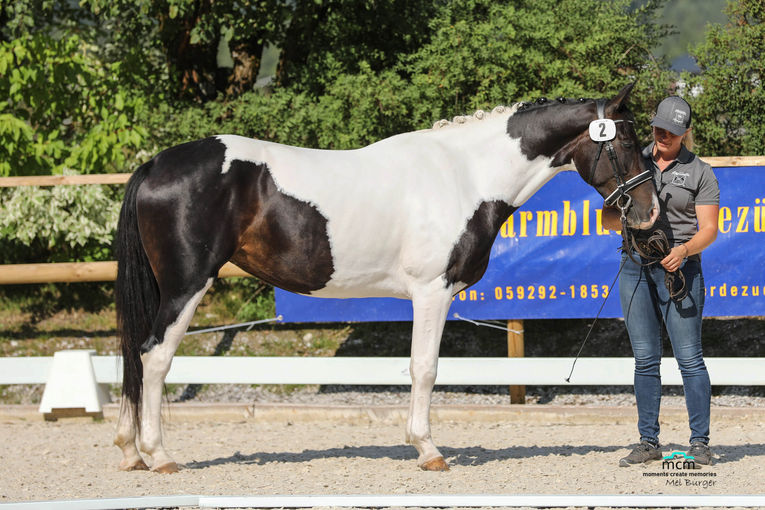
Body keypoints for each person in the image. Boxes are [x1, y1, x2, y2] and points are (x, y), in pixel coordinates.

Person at [602, 96, 720, 467]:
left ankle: (699, 442)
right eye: (657, 127)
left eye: (669, 131)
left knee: (689, 359)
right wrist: (625, 216)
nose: (661, 134)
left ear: (684, 133)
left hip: (679, 270)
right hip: (635, 264)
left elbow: (710, 230)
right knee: (645, 359)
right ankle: (648, 441)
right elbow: (605, 222)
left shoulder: (700, 172)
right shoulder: (632, 160)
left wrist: (684, 251)